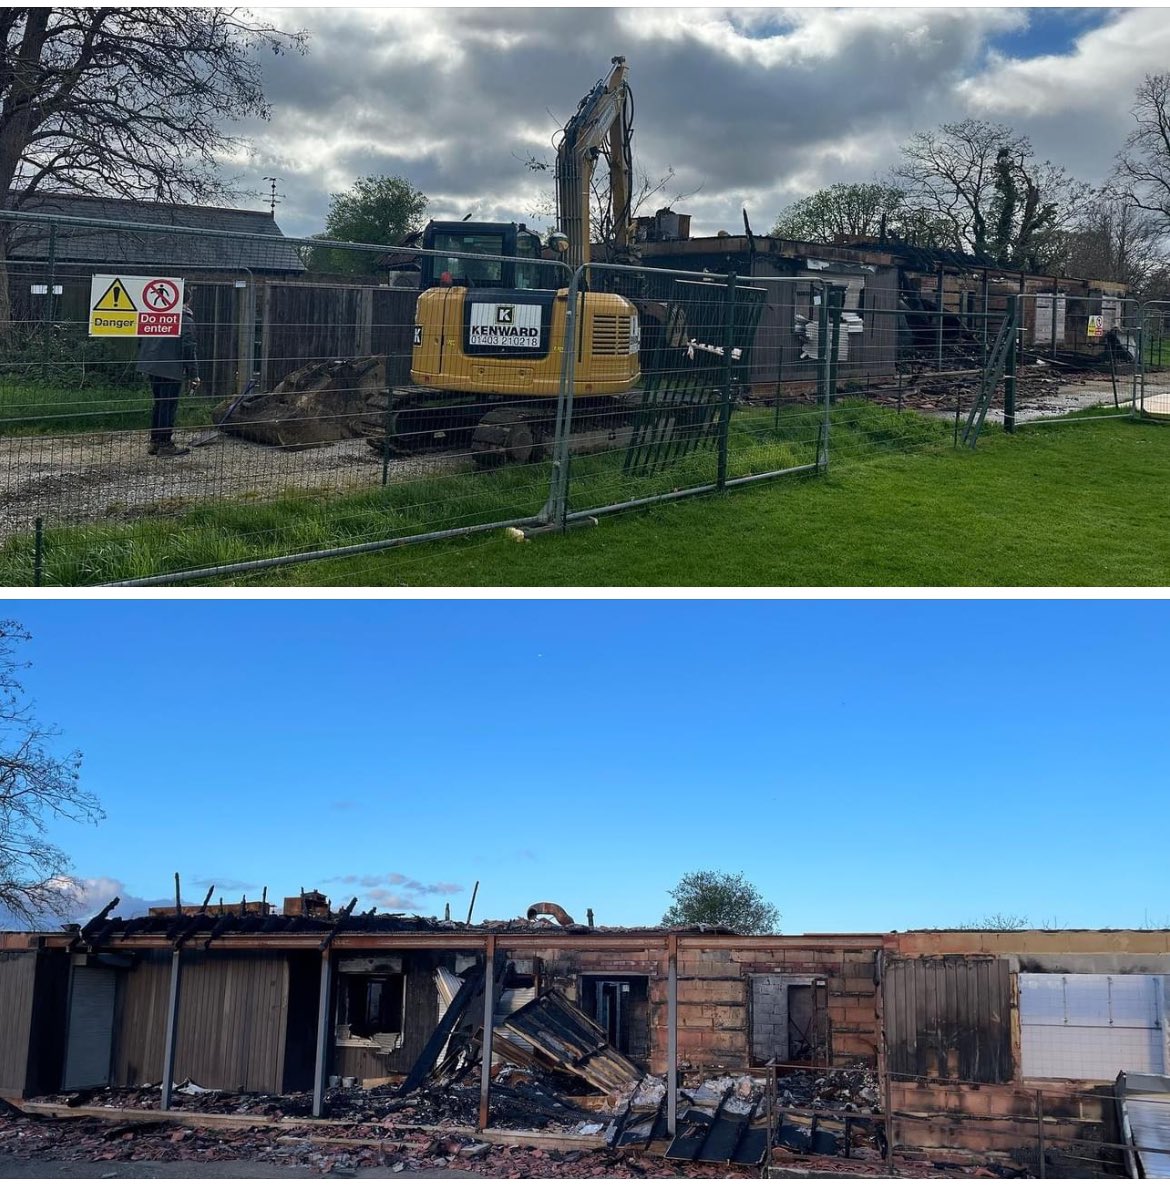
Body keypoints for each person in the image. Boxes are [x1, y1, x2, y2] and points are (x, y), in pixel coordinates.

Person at [137, 300, 200, 457]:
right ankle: (165, 444)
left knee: (159, 404)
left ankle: (155, 441)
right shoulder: (185, 320)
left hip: (153, 365)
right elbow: (188, 347)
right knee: (169, 405)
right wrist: (193, 374)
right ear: (188, 300)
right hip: (171, 368)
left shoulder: (158, 317)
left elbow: (141, 340)